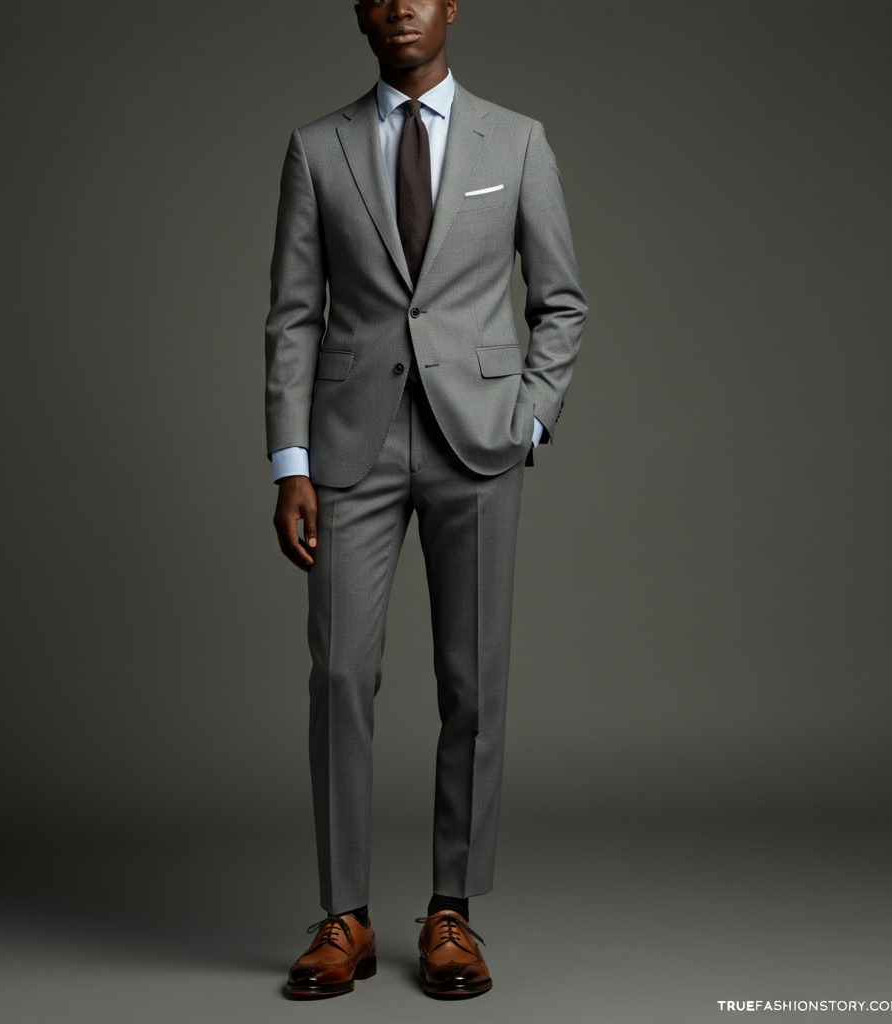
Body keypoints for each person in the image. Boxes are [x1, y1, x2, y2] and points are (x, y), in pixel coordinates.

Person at [265, 0, 586, 1000]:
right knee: (338, 677)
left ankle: (452, 911)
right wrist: (290, 463)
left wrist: (528, 418)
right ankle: (343, 915)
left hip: (475, 445)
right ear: (360, 12)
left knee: (472, 687)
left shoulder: (517, 142)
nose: (401, 4)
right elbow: (291, 317)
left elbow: (562, 301)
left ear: (452, 6)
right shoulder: (316, 149)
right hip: (351, 449)